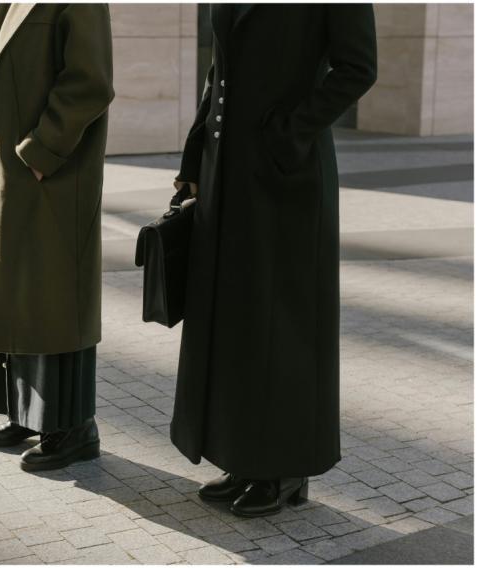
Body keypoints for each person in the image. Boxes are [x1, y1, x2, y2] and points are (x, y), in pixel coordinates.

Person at [171, 4, 377, 517]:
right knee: (239, 324)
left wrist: (289, 130)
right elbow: (219, 72)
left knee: (281, 326)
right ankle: (243, 458)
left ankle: (283, 470)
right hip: (229, 174)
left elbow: (359, 68)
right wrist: (194, 159)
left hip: (288, 175)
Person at [0, 4, 114, 471]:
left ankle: (73, 428)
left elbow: (91, 81)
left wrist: (41, 150)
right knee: (18, 293)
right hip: (8, 175)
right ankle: (24, 413)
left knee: (54, 299)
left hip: (52, 174)